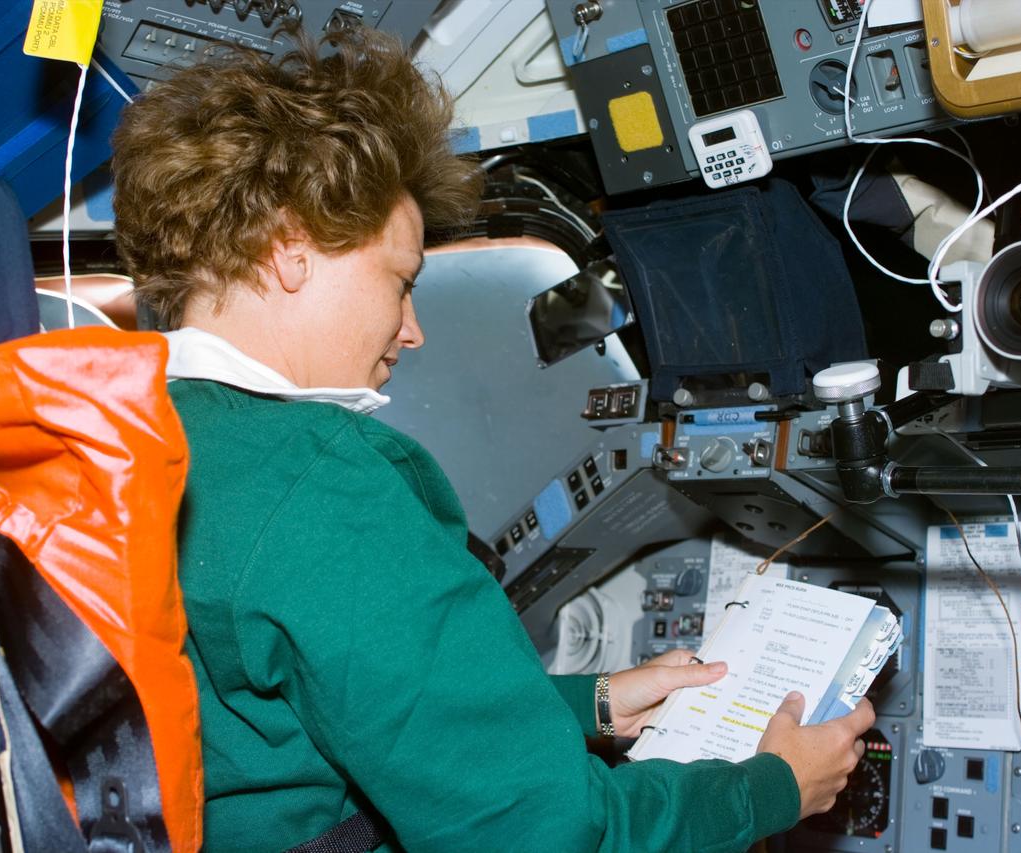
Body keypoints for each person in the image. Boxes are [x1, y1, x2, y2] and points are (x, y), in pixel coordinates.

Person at [110, 25, 875, 853]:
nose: (411, 330)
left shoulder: (133, 435)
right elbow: (547, 835)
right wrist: (770, 789)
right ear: (291, 250)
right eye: (399, 281)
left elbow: (331, 715)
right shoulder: (322, 485)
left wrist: (595, 704)